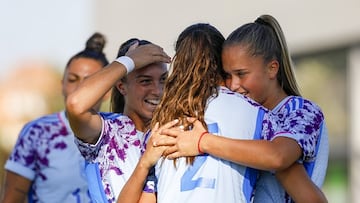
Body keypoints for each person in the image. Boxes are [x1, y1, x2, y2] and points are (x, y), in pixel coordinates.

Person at [156, 14, 328, 203]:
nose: (234, 85)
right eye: (228, 75)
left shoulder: (301, 111)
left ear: (272, 68)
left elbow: (278, 156)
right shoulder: (244, 117)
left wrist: (202, 142)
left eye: (241, 74)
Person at [118, 23, 280, 203]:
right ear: (223, 61)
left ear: (179, 64)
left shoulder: (162, 123)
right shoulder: (258, 113)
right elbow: (280, 160)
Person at [1, 32, 110, 203]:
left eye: (90, 81)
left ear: (107, 91)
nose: (80, 88)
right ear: (62, 85)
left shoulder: (122, 132)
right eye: (73, 80)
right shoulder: (37, 133)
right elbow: (12, 198)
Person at [65, 38, 170, 202]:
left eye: (163, 79)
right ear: (121, 86)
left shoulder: (175, 130)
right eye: (145, 81)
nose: (158, 90)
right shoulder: (108, 131)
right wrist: (129, 61)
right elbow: (75, 104)